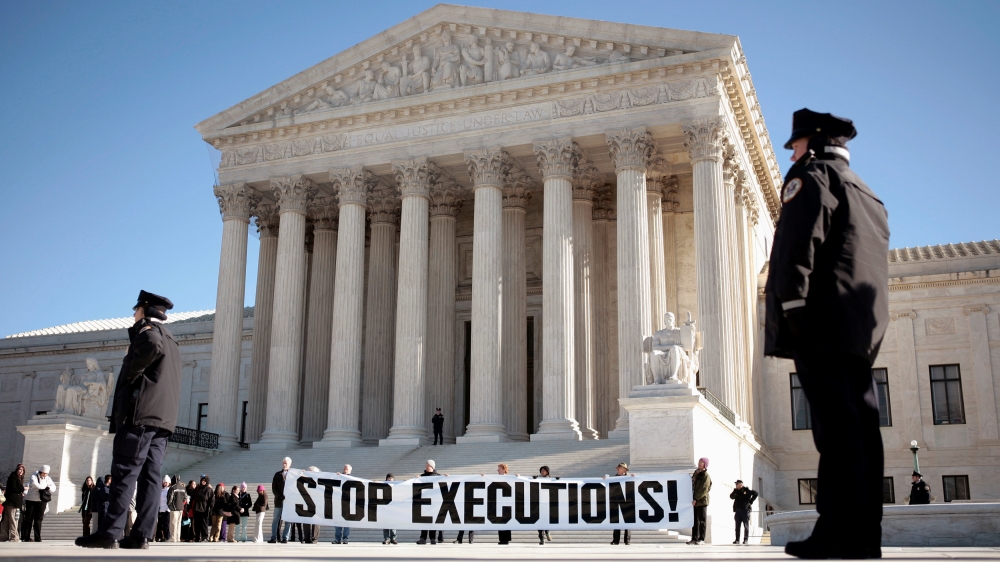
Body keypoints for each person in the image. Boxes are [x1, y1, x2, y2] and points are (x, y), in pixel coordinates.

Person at [765, 109, 889, 559]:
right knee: (860, 435)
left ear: (813, 143)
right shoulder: (869, 194)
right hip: (860, 332)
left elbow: (799, 244)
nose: (791, 154)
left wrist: (793, 309)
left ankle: (834, 533)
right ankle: (862, 536)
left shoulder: (813, 176)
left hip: (819, 324)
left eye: (795, 145)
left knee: (834, 434)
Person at [76, 291, 183, 550]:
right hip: (161, 421)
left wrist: (130, 377)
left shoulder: (148, 333)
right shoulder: (173, 341)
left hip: (140, 416)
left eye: (135, 309)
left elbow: (149, 348)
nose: (133, 314)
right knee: (150, 479)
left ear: (145, 310)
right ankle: (141, 535)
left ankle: (110, 532)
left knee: (124, 474)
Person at [22, 465, 56, 542]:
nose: (44, 475)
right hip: (31, 500)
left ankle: (38, 537)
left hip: (41, 501)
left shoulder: (48, 478)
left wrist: (48, 488)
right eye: (43, 473)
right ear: (40, 472)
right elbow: (35, 484)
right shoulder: (34, 475)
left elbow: (53, 487)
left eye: (46, 474)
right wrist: (45, 487)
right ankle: (26, 537)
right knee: (29, 519)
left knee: (38, 519)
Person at [605, 462, 636, 545]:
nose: (618, 469)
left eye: (620, 468)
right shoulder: (614, 478)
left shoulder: (630, 477)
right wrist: (604, 479)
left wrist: (634, 478)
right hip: (616, 501)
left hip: (627, 501)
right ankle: (616, 540)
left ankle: (627, 540)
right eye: (618, 468)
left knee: (627, 521)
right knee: (616, 520)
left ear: (624, 470)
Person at [417, 460, 445, 544]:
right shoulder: (422, 476)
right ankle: (423, 538)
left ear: (432, 467)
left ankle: (433, 538)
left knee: (432, 521)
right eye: (426, 465)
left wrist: (447, 477)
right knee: (424, 521)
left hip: (434, 502)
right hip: (424, 501)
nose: (426, 467)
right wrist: (416, 478)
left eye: (428, 465)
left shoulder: (438, 476)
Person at [687, 458, 711, 545]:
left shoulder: (705, 476)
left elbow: (703, 489)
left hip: (702, 501)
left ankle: (701, 538)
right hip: (695, 501)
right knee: (695, 521)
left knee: (702, 520)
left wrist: (696, 499)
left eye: (701, 462)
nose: (699, 463)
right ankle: (694, 538)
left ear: (704, 464)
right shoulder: (696, 473)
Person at [269, 457, 292, 543]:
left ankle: (285, 537)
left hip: (288, 502)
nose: (284, 464)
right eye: (283, 463)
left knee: (288, 520)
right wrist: (279, 495)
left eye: (286, 463)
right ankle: (273, 537)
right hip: (279, 501)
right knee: (275, 519)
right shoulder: (277, 474)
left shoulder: (293, 475)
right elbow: (274, 488)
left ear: (290, 464)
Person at [1, 464, 26, 542]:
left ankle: (3, 537)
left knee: (6, 520)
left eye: (22, 470)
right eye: (20, 470)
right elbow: (15, 488)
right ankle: (14, 537)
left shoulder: (15, 478)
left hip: (11, 502)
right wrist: (22, 489)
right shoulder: (14, 478)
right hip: (13, 502)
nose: (21, 471)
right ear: (17, 470)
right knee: (13, 520)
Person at [730, 479, 758, 545]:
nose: (736, 485)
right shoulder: (736, 491)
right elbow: (731, 497)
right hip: (738, 510)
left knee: (746, 526)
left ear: (741, 485)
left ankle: (745, 540)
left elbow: (755, 493)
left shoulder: (746, 490)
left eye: (737, 484)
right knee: (737, 526)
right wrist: (735, 491)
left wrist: (751, 501)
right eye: (736, 484)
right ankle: (737, 540)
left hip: (745, 510)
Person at [533, 466, 555, 544]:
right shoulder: (537, 478)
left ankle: (547, 532)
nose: (542, 472)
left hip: (547, 503)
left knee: (546, 519)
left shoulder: (550, 479)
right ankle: (541, 538)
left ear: (547, 472)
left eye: (544, 470)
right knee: (539, 521)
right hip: (539, 503)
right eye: (541, 470)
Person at [333, 464, 353, 544]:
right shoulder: (339, 476)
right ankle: (337, 538)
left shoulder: (352, 479)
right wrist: (337, 476)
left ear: (350, 470)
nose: (345, 469)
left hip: (348, 503)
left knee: (347, 522)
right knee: (337, 522)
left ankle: (345, 538)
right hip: (338, 502)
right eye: (344, 468)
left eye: (347, 469)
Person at [192, 476, 213, 542]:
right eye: (202, 480)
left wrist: (211, 509)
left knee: (204, 524)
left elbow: (211, 500)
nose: (203, 481)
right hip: (197, 509)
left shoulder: (209, 490)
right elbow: (193, 497)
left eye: (204, 480)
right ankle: (197, 537)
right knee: (196, 524)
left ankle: (204, 537)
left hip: (204, 509)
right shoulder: (198, 488)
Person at [168, 476, 186, 542]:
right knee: (178, 523)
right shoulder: (183, 488)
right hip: (181, 508)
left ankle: (173, 538)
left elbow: (170, 499)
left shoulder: (172, 488)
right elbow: (185, 498)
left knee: (173, 523)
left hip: (174, 508)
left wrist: (169, 505)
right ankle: (178, 537)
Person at [381, 474, 397, 545]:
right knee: (386, 524)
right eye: (388, 478)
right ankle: (387, 539)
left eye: (391, 478)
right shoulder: (384, 486)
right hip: (385, 507)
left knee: (393, 524)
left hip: (393, 507)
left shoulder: (396, 486)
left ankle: (393, 538)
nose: (390, 479)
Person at [155, 476, 171, 541]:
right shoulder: (162, 490)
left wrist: (168, 508)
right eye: (164, 482)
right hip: (161, 509)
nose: (165, 484)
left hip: (167, 509)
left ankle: (167, 536)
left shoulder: (169, 490)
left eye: (166, 482)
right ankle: (160, 536)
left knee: (166, 524)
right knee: (160, 524)